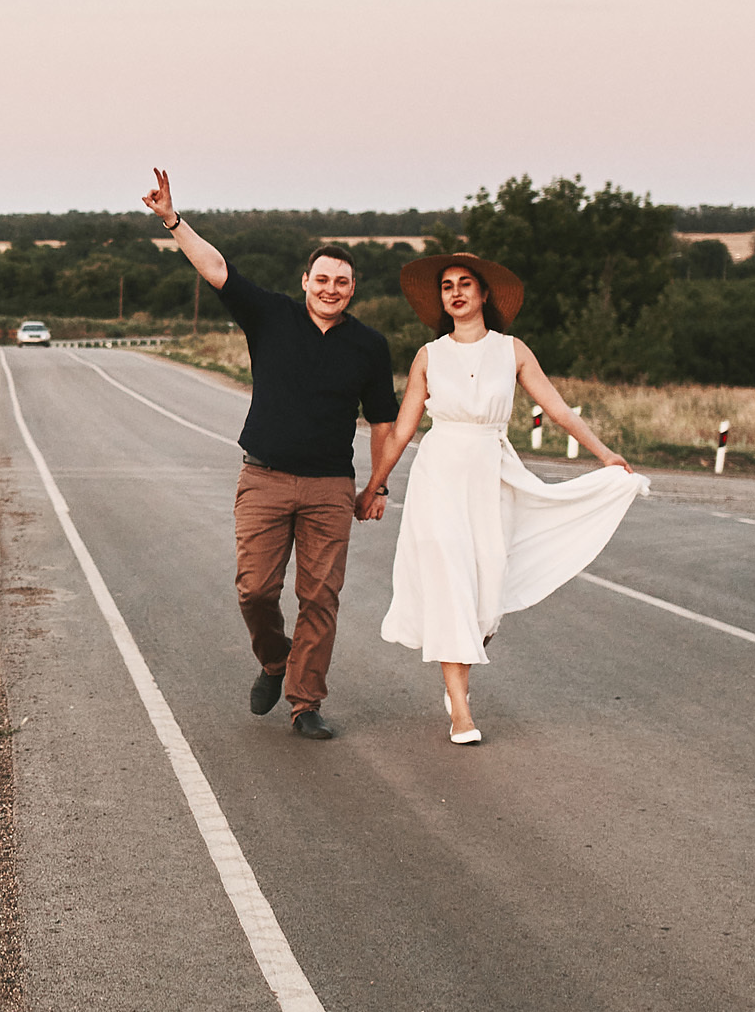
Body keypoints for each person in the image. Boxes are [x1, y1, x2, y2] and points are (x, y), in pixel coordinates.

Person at [143, 169, 400, 741]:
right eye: (323, 279)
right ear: (306, 280)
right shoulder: (271, 316)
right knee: (255, 589)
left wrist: (377, 486)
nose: (332, 289)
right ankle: (274, 659)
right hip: (264, 477)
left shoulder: (369, 346)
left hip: (330, 488)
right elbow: (217, 269)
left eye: (343, 282)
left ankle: (305, 704)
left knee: (320, 597)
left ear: (352, 289)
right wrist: (172, 221)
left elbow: (384, 422)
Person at [371, 255, 649, 743]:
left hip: (491, 472)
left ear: (483, 296)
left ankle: (465, 660)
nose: (455, 293)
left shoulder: (512, 351)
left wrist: (605, 454)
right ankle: (460, 709)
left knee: (485, 593)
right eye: (447, 287)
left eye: (465, 285)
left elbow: (557, 408)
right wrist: (375, 484)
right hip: (439, 474)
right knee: (450, 579)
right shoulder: (428, 356)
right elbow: (401, 431)